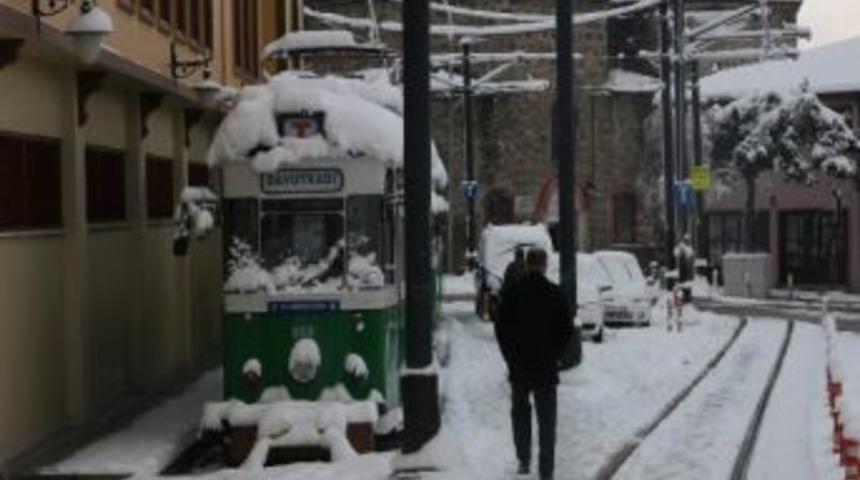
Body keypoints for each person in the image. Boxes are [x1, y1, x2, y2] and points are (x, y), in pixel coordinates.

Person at [496, 247, 573, 480]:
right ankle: (546, 470)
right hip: (546, 367)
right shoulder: (555, 293)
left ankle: (523, 459)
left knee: (520, 413)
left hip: (519, 366)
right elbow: (566, 329)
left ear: (527, 265)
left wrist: (510, 357)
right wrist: (556, 355)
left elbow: (501, 329)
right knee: (547, 421)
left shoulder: (512, 293)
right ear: (545, 265)